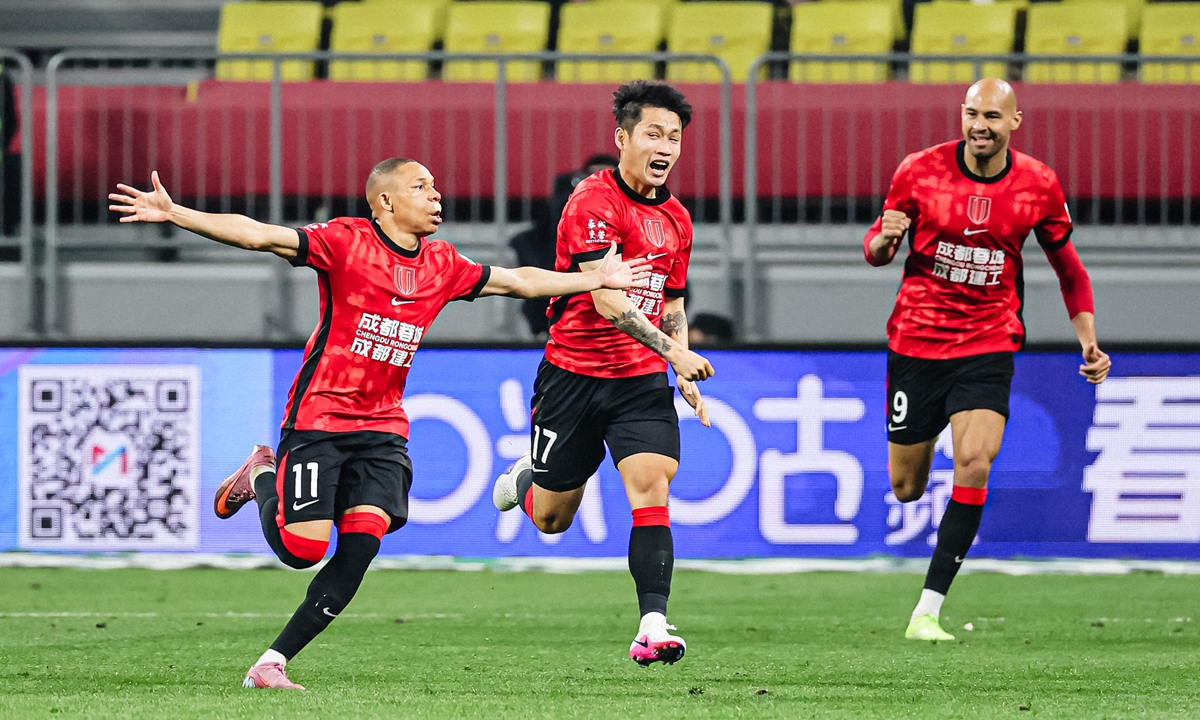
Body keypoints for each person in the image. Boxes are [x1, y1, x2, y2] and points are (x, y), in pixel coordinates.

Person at [108, 158, 651, 689]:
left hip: (383, 426)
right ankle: (260, 476)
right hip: (319, 417)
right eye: (422, 186)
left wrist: (593, 278)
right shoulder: (346, 242)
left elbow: (518, 281)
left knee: (364, 540)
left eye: (436, 186)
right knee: (301, 551)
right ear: (386, 200)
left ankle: (272, 662)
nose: (436, 195)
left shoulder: (443, 263)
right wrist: (178, 214)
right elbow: (258, 235)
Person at [863, 78, 1112, 642]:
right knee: (907, 486)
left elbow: (1069, 269)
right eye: (972, 114)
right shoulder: (918, 171)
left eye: (993, 117)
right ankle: (925, 589)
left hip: (988, 340)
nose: (980, 125)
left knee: (975, 461)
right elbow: (878, 251)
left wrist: (1088, 339)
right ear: (961, 115)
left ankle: (926, 610)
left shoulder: (1037, 185)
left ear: (1014, 122)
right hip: (916, 342)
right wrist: (884, 239)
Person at [492, 80, 714, 667]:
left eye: (674, 137)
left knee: (652, 488)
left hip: (640, 382)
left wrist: (681, 368)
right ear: (623, 138)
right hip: (573, 375)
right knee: (551, 519)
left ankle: (653, 624)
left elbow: (672, 304)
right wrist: (677, 354)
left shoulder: (679, 221)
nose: (664, 146)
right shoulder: (592, 202)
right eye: (653, 134)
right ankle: (529, 477)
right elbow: (607, 303)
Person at [510, 153, 619, 338]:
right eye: (594, 174)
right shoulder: (568, 203)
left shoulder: (630, 210)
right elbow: (536, 237)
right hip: (565, 287)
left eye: (609, 175)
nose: (601, 180)